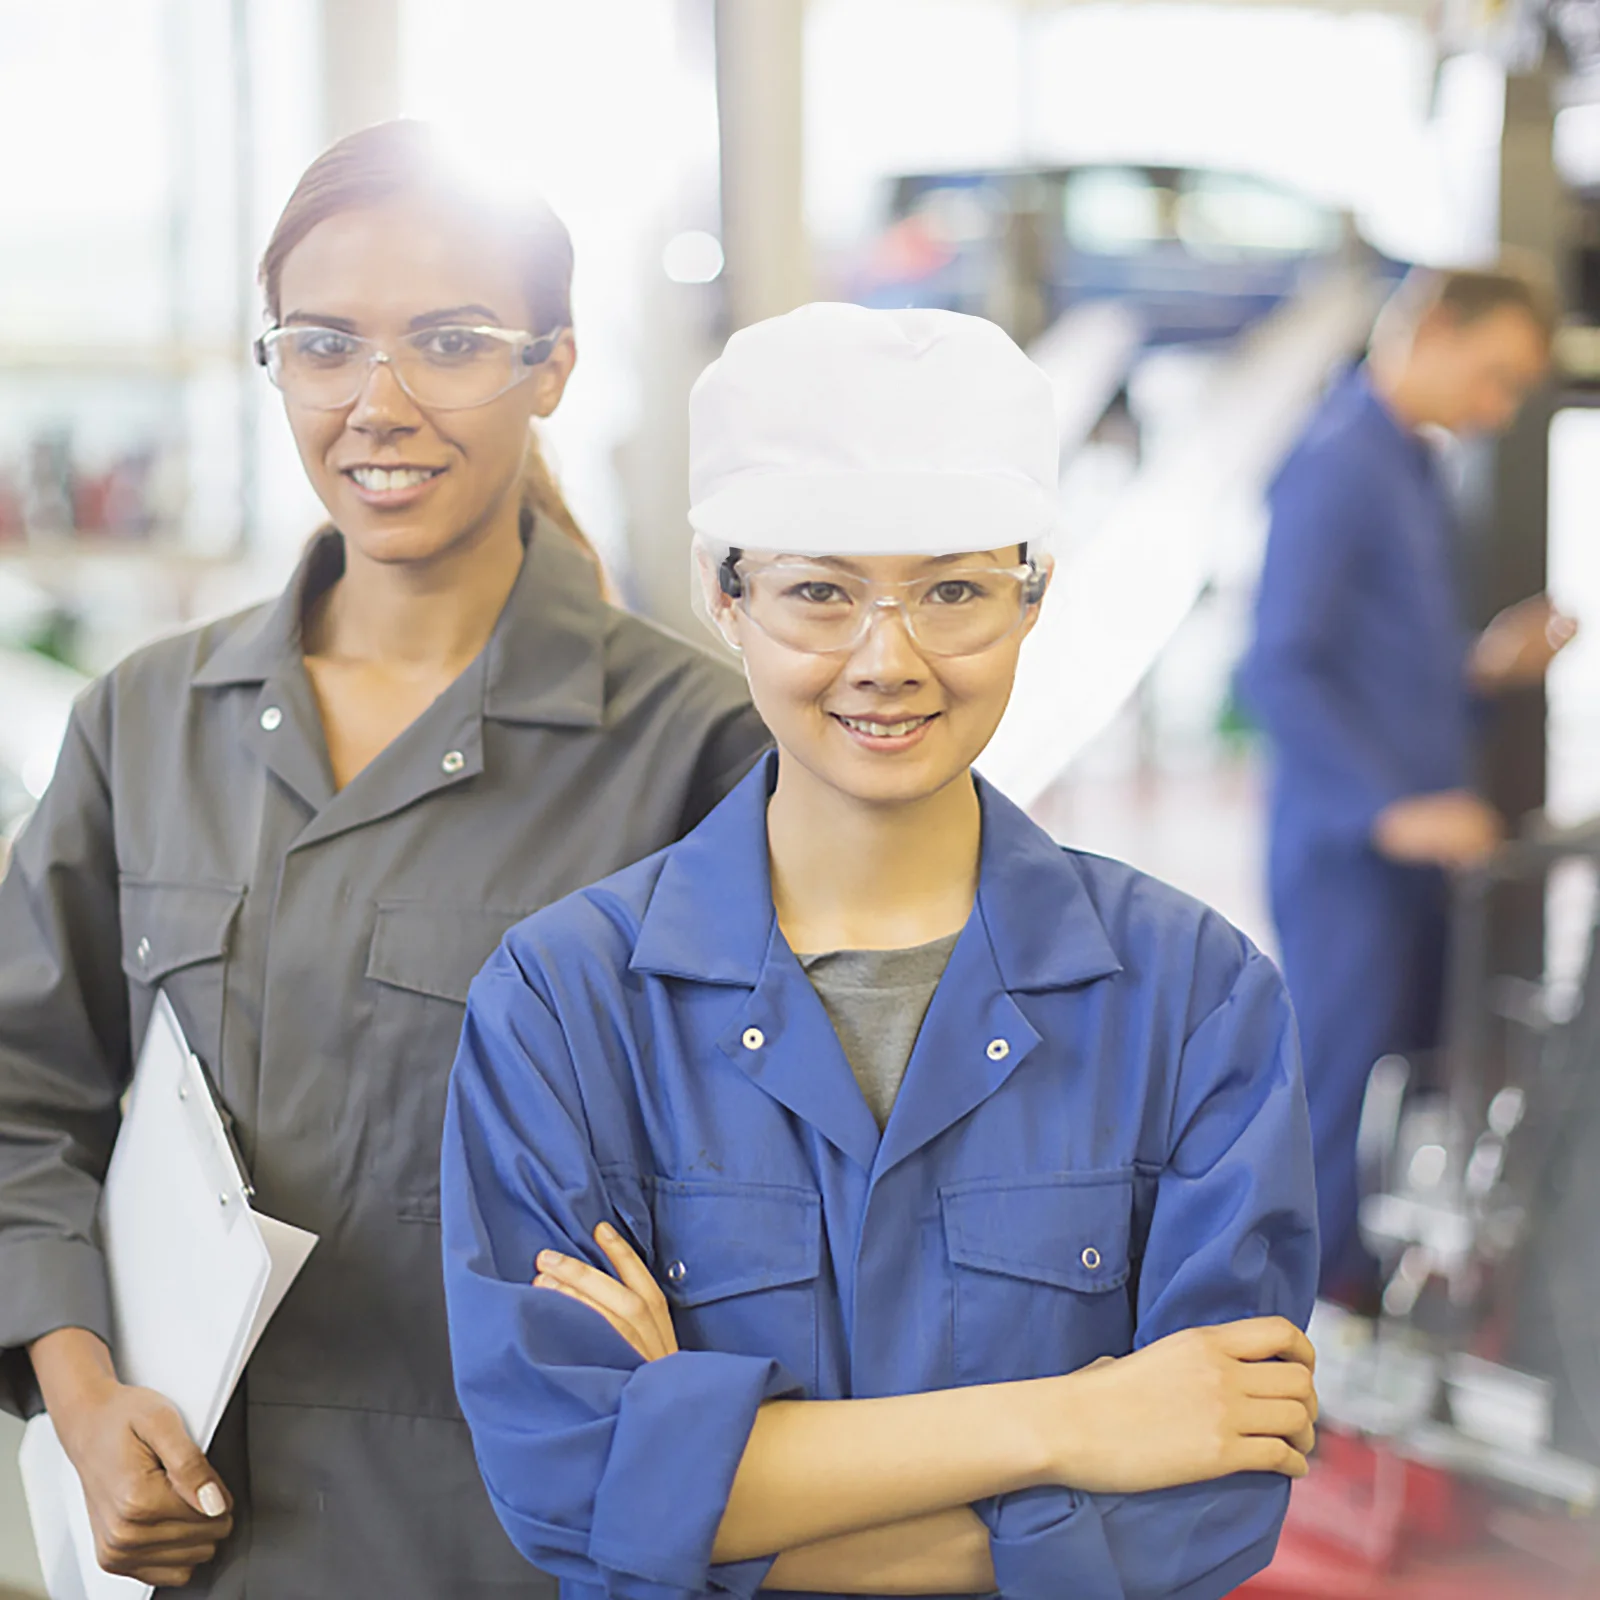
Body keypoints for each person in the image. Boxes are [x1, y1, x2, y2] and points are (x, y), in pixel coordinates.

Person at [442, 303, 1319, 1600]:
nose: (886, 659)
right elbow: (564, 1483)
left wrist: (703, 1493)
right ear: (724, 595)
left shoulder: (1195, 999)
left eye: (953, 590)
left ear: (1034, 594)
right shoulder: (564, 1007)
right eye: (819, 591)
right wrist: (1074, 1424)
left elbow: (1211, 1500)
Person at [0, 121, 768, 1599]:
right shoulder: (146, 723)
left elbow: (775, 1195)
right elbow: (21, 1096)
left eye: (452, 342)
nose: (379, 401)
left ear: (553, 366)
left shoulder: (698, 749)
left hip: (528, 1545)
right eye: (325, 343)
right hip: (197, 1538)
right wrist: (83, 1399)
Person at [1236, 262, 1575, 1300]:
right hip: (1349, 855)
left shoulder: (1408, 465)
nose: (1497, 408)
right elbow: (1276, 667)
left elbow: (1374, 670)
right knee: (1345, 1098)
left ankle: (1363, 1303)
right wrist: (1388, 809)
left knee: (1397, 1097)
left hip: (1406, 856)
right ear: (1430, 330)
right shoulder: (1338, 461)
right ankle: (1307, 1329)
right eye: (1492, 376)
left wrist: (1481, 671)